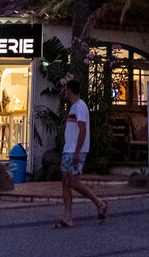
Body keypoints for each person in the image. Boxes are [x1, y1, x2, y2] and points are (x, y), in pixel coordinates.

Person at [55, 79, 107, 228]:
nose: (65, 92)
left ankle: (99, 203)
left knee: (73, 182)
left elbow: (82, 129)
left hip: (75, 150)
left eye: (66, 89)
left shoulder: (80, 107)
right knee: (65, 182)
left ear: (70, 90)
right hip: (68, 149)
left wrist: (78, 151)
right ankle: (68, 217)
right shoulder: (73, 107)